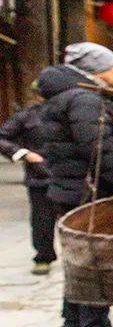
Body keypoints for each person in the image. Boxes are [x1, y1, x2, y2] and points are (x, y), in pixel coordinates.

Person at [37, 42, 113, 327]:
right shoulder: (84, 99)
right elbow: (99, 151)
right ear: (98, 70)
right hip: (89, 195)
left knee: (78, 259)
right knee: (95, 261)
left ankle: (71, 325)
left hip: (69, 192)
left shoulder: (65, 97)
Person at [0, 91, 55, 274]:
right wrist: (25, 154)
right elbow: (2, 138)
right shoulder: (27, 116)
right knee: (42, 220)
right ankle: (43, 257)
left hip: (71, 174)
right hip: (40, 176)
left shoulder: (70, 112)